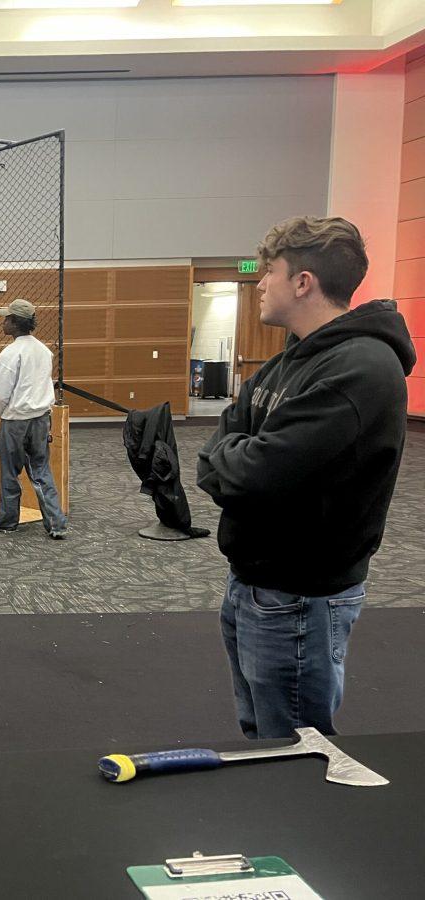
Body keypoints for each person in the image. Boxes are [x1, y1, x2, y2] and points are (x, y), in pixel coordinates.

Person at [197, 216, 416, 739]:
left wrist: (233, 456)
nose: (260, 284)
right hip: (255, 584)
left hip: (300, 597)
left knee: (295, 749)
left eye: (269, 272)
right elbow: (218, 450)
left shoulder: (360, 368)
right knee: (261, 738)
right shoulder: (292, 361)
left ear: (303, 282)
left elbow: (250, 473)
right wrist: (233, 456)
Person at [0, 298, 68, 539]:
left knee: (10, 472)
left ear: (14, 323)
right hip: (41, 419)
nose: (3, 323)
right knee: (41, 469)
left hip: (15, 421)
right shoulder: (44, 350)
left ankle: (8, 520)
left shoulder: (10, 354)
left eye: (6, 319)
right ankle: (56, 522)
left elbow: (1, 392)